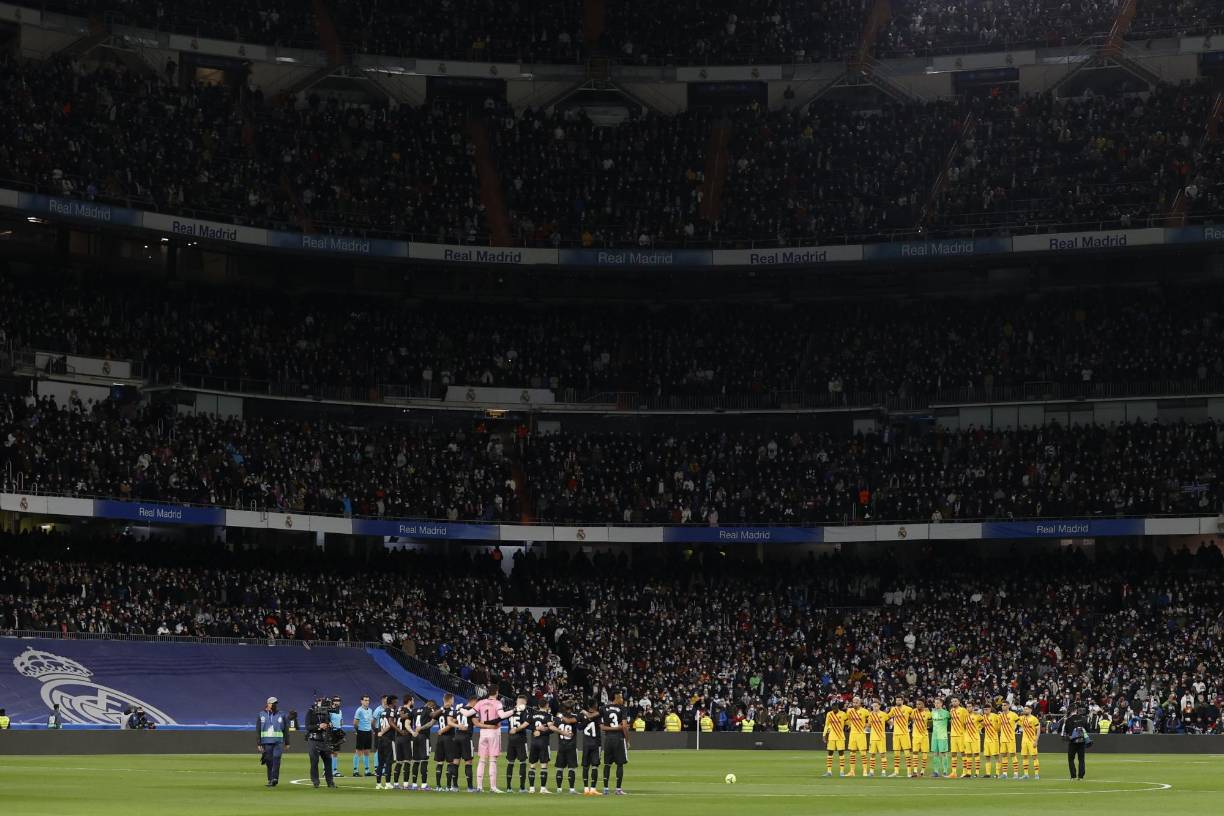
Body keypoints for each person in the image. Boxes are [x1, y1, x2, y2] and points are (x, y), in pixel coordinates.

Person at [473, 686, 510, 793]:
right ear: (497, 692)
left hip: (483, 733)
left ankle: (479, 787)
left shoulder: (480, 702)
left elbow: (474, 715)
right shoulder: (498, 703)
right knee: (492, 760)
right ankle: (493, 787)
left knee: (482, 760)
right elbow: (501, 716)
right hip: (494, 732)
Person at [599, 691, 630, 795]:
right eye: (621, 697)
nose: (622, 700)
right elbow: (624, 726)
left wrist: (611, 728)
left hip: (608, 739)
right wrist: (627, 740)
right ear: (617, 698)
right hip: (619, 739)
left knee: (607, 764)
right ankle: (618, 789)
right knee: (620, 764)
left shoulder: (604, 708)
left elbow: (602, 726)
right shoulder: (622, 708)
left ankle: (606, 789)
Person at [256, 696, 289, 788]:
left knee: (276, 758)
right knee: (269, 761)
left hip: (278, 742)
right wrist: (259, 743)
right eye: (273, 703)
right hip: (266, 742)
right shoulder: (261, 714)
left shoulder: (282, 714)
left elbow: (286, 729)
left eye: (276, 703)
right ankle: (270, 779)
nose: (275, 705)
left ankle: (275, 778)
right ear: (268, 704)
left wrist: (287, 742)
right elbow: (258, 730)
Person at [305, 695, 336, 789]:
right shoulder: (310, 712)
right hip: (313, 740)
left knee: (328, 761)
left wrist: (329, 725)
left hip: (324, 740)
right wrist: (319, 726)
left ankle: (330, 782)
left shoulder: (326, 712)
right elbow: (308, 727)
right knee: (314, 761)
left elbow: (329, 724)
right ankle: (315, 782)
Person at [505, 695, 531, 792]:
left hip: (511, 739)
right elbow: (526, 723)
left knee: (510, 762)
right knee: (523, 762)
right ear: (524, 703)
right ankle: (522, 788)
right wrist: (517, 729)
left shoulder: (510, 710)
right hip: (520, 738)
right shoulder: (524, 711)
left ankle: (508, 788)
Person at [527, 699, 554, 793]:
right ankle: (543, 788)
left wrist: (535, 729)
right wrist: (544, 729)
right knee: (544, 766)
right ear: (546, 705)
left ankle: (531, 788)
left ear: (538, 705)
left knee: (532, 766)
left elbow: (527, 725)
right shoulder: (548, 716)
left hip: (534, 742)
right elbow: (551, 730)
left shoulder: (532, 714)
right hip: (543, 743)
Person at [553, 700, 580, 793]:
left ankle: (559, 789)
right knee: (571, 768)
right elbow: (570, 721)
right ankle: (571, 789)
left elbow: (552, 727)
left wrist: (559, 716)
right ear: (573, 707)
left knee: (559, 768)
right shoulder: (576, 716)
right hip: (571, 746)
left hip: (561, 746)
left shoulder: (558, 718)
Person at [374, 694, 398, 790]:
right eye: (396, 701)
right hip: (388, 739)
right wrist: (382, 732)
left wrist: (379, 733)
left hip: (381, 740)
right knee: (389, 762)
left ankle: (378, 784)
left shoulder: (383, 712)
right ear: (392, 702)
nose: (397, 702)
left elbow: (380, 724)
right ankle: (388, 783)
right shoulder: (391, 711)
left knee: (380, 762)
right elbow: (389, 725)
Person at [580, 702, 603, 795]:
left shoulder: (582, 715)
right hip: (595, 744)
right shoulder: (598, 716)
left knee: (585, 766)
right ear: (596, 706)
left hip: (586, 744)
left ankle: (586, 789)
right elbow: (601, 726)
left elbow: (579, 727)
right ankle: (593, 788)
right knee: (594, 766)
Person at [888, 696, 913, 778]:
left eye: (899, 700)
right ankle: (896, 772)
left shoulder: (908, 709)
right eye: (897, 700)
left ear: (902, 701)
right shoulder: (893, 709)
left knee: (907, 753)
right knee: (896, 754)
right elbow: (887, 717)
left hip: (904, 733)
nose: (898, 701)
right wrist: (890, 722)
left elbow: (914, 716)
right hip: (896, 734)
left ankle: (909, 772)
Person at [1062, 706, 1089, 780]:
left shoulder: (1068, 720)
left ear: (1070, 711)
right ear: (1076, 710)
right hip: (1082, 741)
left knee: (1071, 759)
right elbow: (1087, 729)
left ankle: (1073, 776)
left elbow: (1066, 731)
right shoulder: (1083, 719)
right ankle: (1081, 776)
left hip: (1072, 742)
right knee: (1081, 759)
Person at [822, 700, 847, 777]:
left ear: (838, 708)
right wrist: (824, 735)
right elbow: (826, 725)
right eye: (833, 709)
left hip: (840, 736)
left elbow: (848, 722)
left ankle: (842, 771)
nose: (834, 710)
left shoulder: (843, 714)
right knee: (830, 753)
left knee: (841, 753)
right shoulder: (829, 714)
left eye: (835, 709)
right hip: (831, 737)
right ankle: (829, 771)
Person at [845, 696, 869, 777]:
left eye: (856, 702)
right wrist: (849, 725)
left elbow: (870, 719)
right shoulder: (849, 711)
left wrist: (866, 725)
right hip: (852, 734)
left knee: (863, 753)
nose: (854, 704)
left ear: (860, 703)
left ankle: (865, 771)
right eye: (853, 702)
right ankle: (852, 772)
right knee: (852, 753)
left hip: (861, 734)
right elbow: (846, 719)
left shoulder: (865, 711)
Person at [352, 695, 373, 777]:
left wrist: (371, 729)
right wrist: (358, 731)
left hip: (368, 732)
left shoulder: (370, 710)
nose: (367, 702)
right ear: (361, 701)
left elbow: (370, 721)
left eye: (368, 700)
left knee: (367, 752)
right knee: (359, 751)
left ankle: (367, 770)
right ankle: (355, 771)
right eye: (365, 700)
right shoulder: (359, 710)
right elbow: (355, 723)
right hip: (361, 732)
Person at [865, 700, 888, 776]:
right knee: (872, 755)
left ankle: (883, 772)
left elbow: (890, 722)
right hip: (873, 737)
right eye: (873, 706)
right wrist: (865, 727)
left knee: (882, 755)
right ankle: (871, 772)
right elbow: (868, 725)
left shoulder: (884, 714)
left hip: (881, 737)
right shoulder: (871, 715)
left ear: (879, 706)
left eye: (876, 706)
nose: (874, 707)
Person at [1018, 705, 1041, 779]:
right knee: (1024, 757)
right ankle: (1026, 774)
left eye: (1026, 709)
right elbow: (1014, 720)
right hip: (1024, 740)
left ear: (1030, 710)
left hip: (1032, 740)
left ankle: (1037, 774)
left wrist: (1036, 741)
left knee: (1034, 757)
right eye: (1024, 709)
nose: (1025, 710)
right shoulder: (1022, 718)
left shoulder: (1034, 719)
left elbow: (1038, 730)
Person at [910, 699, 931, 778]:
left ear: (923, 705)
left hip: (924, 736)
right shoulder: (914, 711)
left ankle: (922, 771)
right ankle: (915, 771)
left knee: (924, 753)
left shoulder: (927, 713)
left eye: (919, 704)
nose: (918, 705)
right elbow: (910, 718)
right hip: (915, 736)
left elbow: (931, 719)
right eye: (917, 704)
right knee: (915, 752)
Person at [930, 697, 950, 778]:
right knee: (935, 753)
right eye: (935, 703)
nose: (936, 704)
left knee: (943, 753)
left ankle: (945, 771)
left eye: (938, 703)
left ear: (941, 704)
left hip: (943, 736)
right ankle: (936, 771)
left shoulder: (946, 713)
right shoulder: (932, 713)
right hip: (934, 736)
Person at [998, 703, 1020, 778]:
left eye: (1004, 705)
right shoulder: (1000, 715)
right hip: (1002, 738)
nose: (1003, 706)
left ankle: (1016, 773)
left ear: (1008, 706)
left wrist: (1015, 728)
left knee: (1013, 755)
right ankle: (1004, 773)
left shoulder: (1013, 715)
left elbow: (1018, 722)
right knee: (1004, 755)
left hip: (1010, 738)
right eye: (1002, 705)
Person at [328, 696, 344, 778]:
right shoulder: (329, 710)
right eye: (336, 700)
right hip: (331, 732)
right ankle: (326, 771)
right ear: (333, 701)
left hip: (337, 732)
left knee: (336, 752)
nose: (338, 702)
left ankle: (334, 770)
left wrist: (341, 728)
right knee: (329, 752)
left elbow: (341, 721)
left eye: (339, 700)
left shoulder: (340, 711)